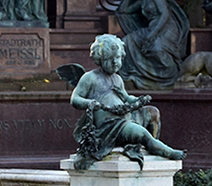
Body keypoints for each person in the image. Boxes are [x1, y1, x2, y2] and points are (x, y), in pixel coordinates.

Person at [70, 35, 185, 168]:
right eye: (109, 59)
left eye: (117, 58)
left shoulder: (117, 79)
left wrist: (138, 100)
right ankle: (167, 151)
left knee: (153, 112)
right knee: (141, 133)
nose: (115, 62)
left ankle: (151, 146)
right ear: (100, 59)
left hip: (125, 117)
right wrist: (90, 103)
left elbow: (126, 98)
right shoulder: (90, 78)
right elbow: (75, 99)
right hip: (110, 127)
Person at [115, 0, 190, 89]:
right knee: (126, 42)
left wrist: (154, 33)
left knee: (156, 48)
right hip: (151, 28)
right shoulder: (141, 1)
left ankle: (170, 74)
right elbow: (123, 11)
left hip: (165, 27)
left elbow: (164, 15)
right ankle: (135, 74)